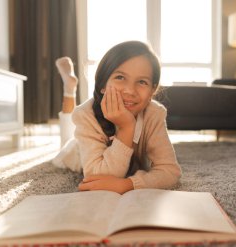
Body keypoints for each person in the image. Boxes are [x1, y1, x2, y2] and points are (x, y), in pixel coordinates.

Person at [52, 41, 182, 194]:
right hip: (76, 152)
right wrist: (127, 128)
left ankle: (71, 86)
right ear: (102, 84)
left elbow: (170, 171)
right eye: (120, 77)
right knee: (66, 141)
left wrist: (128, 184)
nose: (130, 90)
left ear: (152, 90)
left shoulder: (154, 113)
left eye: (142, 82)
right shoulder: (85, 115)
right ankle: (69, 89)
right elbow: (99, 178)